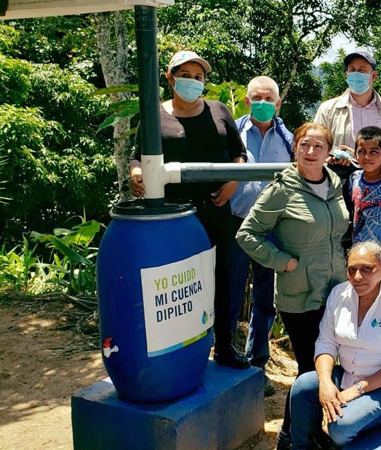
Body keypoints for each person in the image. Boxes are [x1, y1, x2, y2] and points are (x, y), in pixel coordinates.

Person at [129, 50, 249, 369]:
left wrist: (232, 182)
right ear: (170, 79)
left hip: (216, 211)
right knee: (177, 281)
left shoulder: (219, 111)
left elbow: (239, 153)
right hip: (172, 218)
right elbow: (137, 156)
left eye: (199, 77)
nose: (193, 82)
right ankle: (179, 352)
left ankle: (224, 346)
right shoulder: (154, 115)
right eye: (185, 76)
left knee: (223, 278)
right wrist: (136, 174)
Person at [235, 122, 349, 449]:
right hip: (299, 295)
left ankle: (309, 432)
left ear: (328, 152)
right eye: (304, 145)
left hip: (334, 290)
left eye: (318, 146)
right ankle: (291, 439)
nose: (310, 152)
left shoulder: (334, 184)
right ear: (295, 149)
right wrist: (282, 261)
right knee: (309, 370)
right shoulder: (283, 189)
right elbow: (247, 234)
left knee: (323, 367)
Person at [289, 241, 381, 449]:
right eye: (352, 270)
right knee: (303, 386)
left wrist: (357, 390)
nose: (358, 277)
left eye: (367, 269)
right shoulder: (339, 294)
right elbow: (326, 342)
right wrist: (325, 382)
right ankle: (303, 446)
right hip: (347, 375)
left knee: (341, 427)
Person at [226, 76, 293, 394]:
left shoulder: (289, 139)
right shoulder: (232, 133)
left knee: (265, 300)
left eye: (269, 99)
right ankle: (226, 360)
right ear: (246, 101)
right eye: (256, 98)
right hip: (236, 224)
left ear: (278, 103)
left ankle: (258, 365)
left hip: (273, 230)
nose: (262, 103)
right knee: (229, 293)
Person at [345, 126, 381, 281]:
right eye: (362, 151)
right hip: (357, 252)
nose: (367, 157)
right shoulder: (354, 178)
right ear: (355, 153)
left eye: (373, 152)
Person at [313, 50, 381, 151]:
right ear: (346, 75)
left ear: (374, 76)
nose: (356, 74)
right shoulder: (328, 110)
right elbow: (316, 143)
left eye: (362, 70)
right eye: (352, 70)